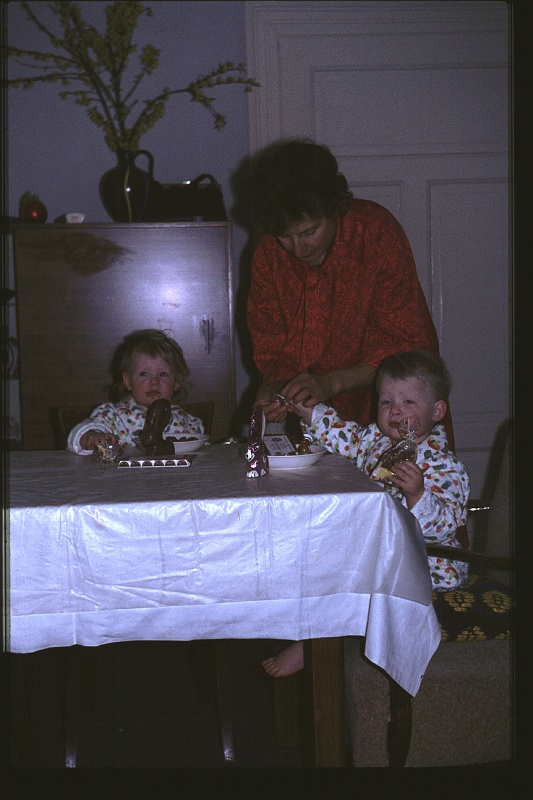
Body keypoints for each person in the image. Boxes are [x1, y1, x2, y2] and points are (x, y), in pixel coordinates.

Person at [262, 350, 470, 678]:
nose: (395, 411)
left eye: (408, 403)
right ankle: (298, 617)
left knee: (354, 576)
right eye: (386, 402)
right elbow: (341, 435)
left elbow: (445, 527)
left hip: (427, 561)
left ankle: (319, 637)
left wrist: (418, 494)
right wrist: (309, 411)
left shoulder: (444, 466)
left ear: (437, 410)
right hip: (379, 549)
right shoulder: (373, 441)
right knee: (318, 552)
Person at [245, 138, 452, 440]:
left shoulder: (374, 232)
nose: (297, 248)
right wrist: (274, 389)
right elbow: (271, 344)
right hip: (317, 423)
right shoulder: (268, 252)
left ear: (334, 207)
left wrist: (331, 383)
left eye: (308, 232)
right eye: (284, 236)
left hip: (395, 410)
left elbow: (407, 347)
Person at [67, 328, 204, 454]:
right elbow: (80, 434)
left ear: (176, 383)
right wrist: (91, 437)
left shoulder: (185, 422)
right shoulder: (112, 416)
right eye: (144, 374)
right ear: (127, 381)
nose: (154, 381)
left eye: (163, 374)